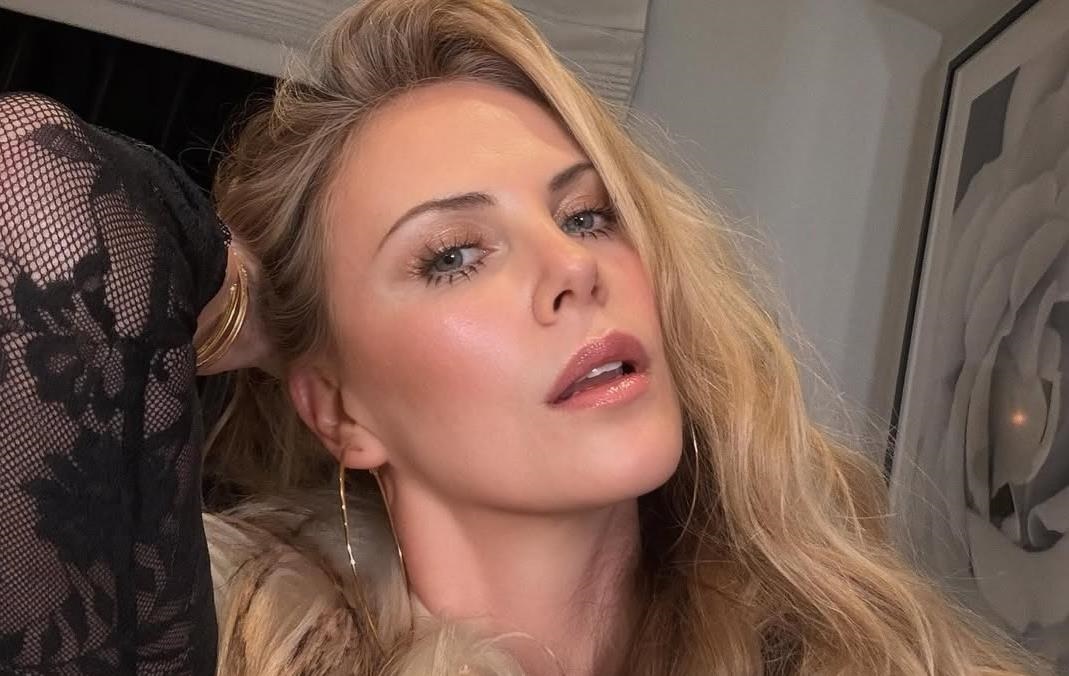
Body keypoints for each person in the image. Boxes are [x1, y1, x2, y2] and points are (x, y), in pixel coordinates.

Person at [0, 0, 1049, 674]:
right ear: (340, 412)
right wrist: (248, 301)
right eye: (452, 255)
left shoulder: (852, 650)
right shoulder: (195, 638)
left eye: (587, 215)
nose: (574, 269)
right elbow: (25, 187)